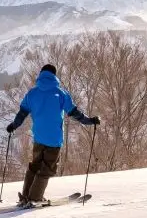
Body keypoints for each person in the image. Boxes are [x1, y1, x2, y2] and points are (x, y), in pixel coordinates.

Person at [6, 64, 99, 206]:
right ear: (54, 75)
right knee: (47, 168)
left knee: (35, 166)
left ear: (41, 74)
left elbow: (22, 113)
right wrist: (90, 121)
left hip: (38, 138)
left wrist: (14, 125)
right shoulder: (60, 93)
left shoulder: (32, 93)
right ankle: (35, 198)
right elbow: (75, 113)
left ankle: (26, 196)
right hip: (54, 140)